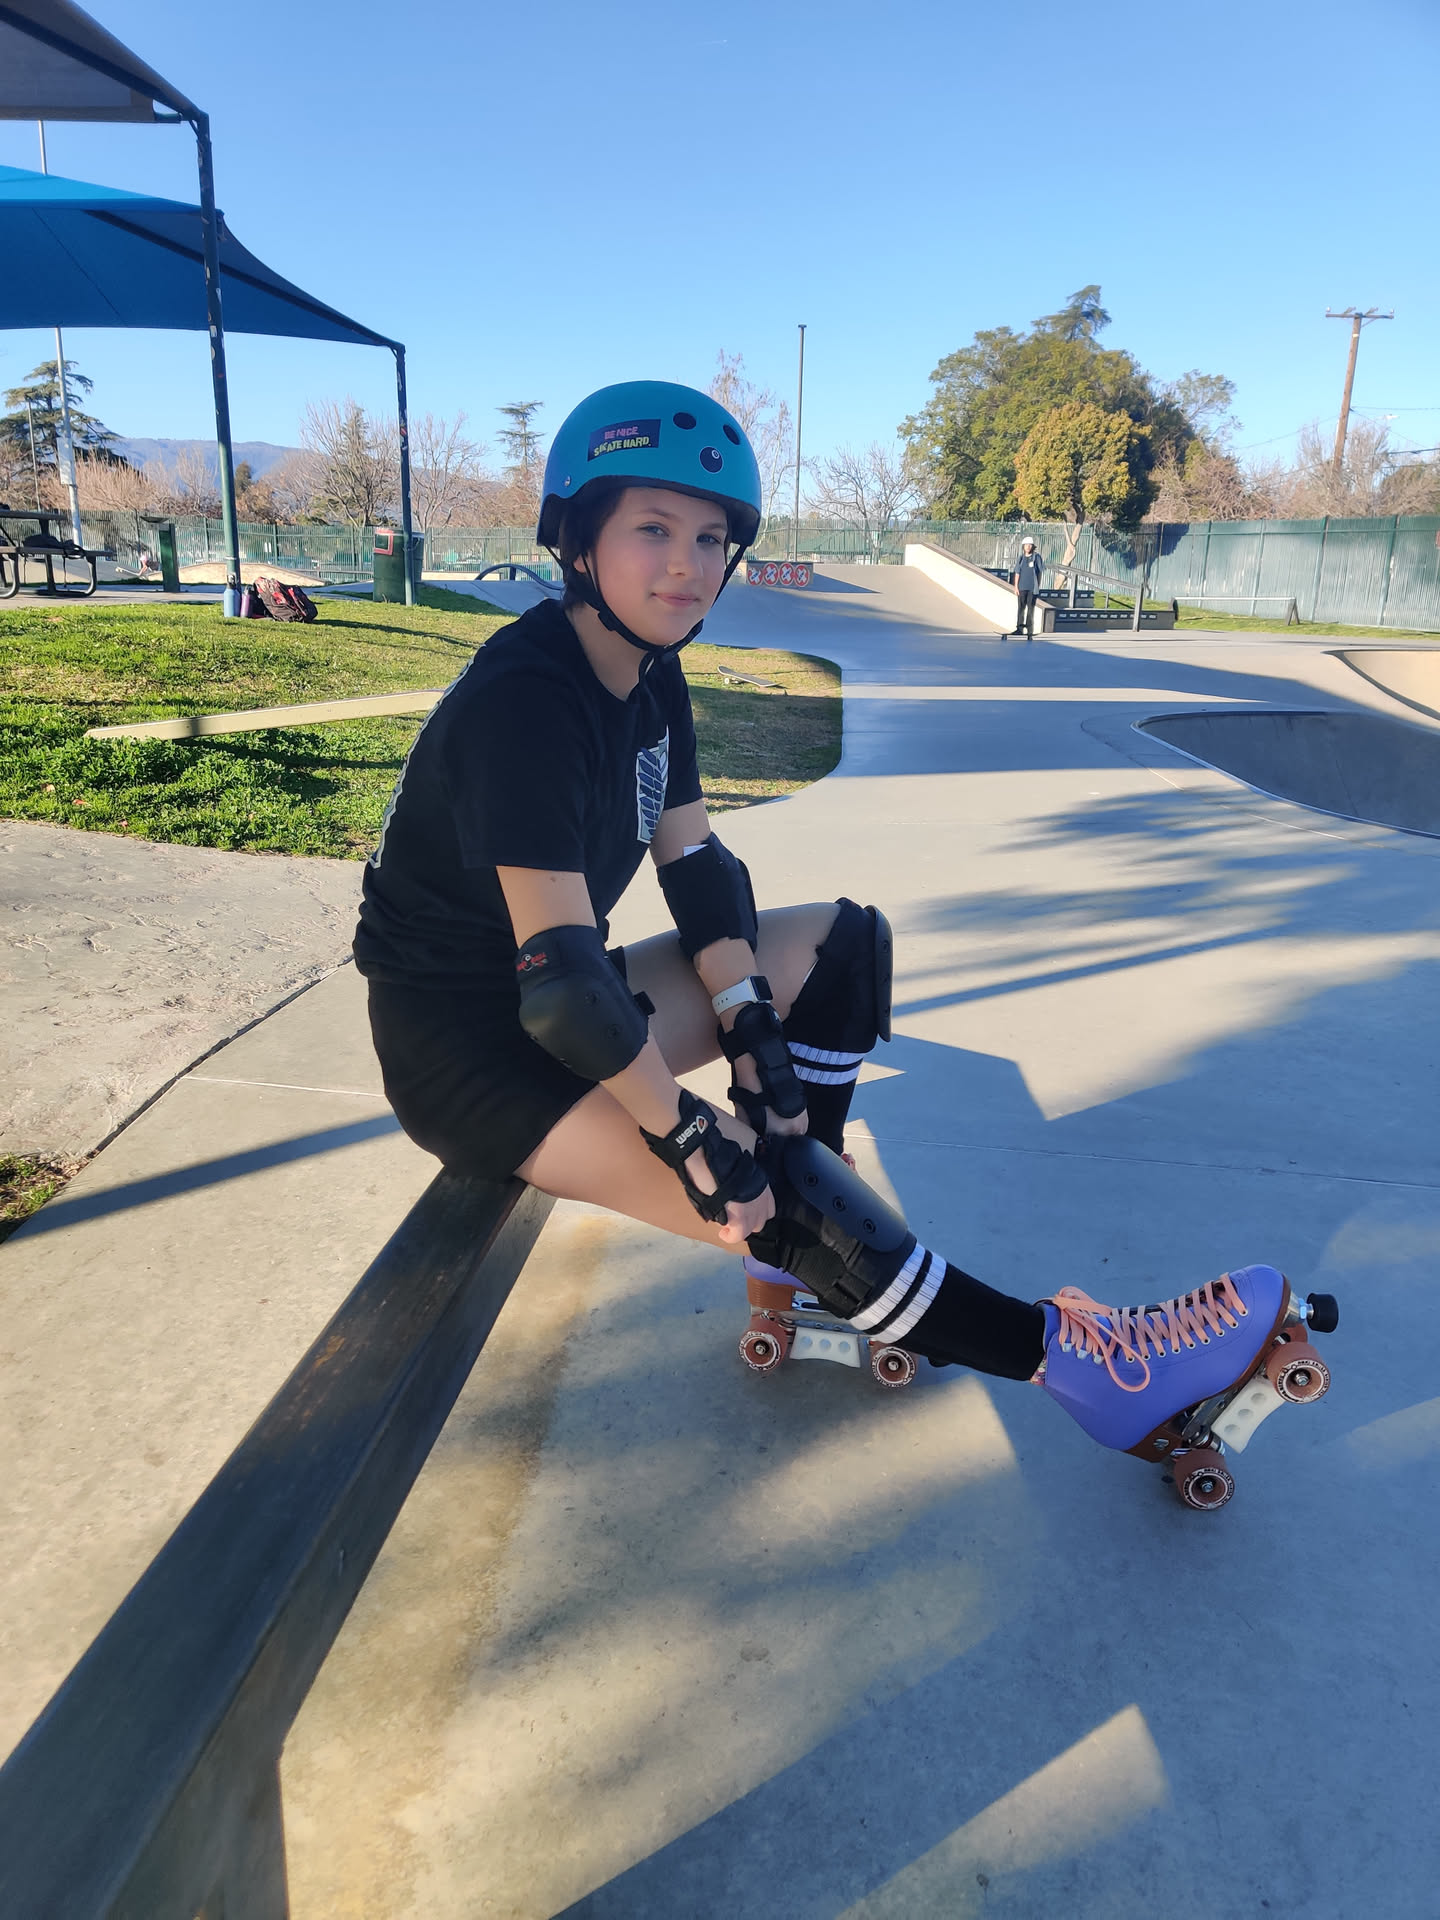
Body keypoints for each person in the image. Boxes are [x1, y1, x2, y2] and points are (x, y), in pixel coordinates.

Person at [353, 380, 1330, 1500]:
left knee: (841, 947)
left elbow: (699, 872)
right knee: (766, 1185)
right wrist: (693, 1135)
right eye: (653, 529)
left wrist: (755, 1037)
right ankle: (1091, 1373)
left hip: (554, 1004)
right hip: (474, 1059)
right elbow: (564, 989)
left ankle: (813, 1225)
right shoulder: (528, 700)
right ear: (577, 540)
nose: (687, 565)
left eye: (711, 538)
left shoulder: (648, 674)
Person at [1011, 534, 1043, 638]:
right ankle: (1019, 629)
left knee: (1030, 609)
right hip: (1021, 587)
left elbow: (1039, 572)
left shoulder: (1036, 557)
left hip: (1032, 588)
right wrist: (1016, 586)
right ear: (1023, 546)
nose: (1028, 547)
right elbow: (1017, 572)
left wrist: (1037, 586)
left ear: (1032, 546)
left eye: (1030, 545)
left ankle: (1030, 630)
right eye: (1026, 545)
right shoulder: (1021, 558)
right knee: (1021, 608)